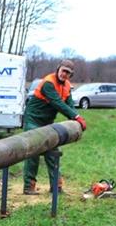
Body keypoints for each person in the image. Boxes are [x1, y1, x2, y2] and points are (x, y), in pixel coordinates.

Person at [21, 60, 87, 195]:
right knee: (33, 152)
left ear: (71, 75)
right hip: (33, 119)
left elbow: (69, 104)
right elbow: (57, 103)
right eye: (63, 71)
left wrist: (75, 120)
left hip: (47, 122)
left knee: (53, 153)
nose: (64, 74)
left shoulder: (67, 86)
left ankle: (56, 187)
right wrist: (76, 117)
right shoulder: (48, 83)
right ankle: (29, 187)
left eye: (68, 73)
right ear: (58, 69)